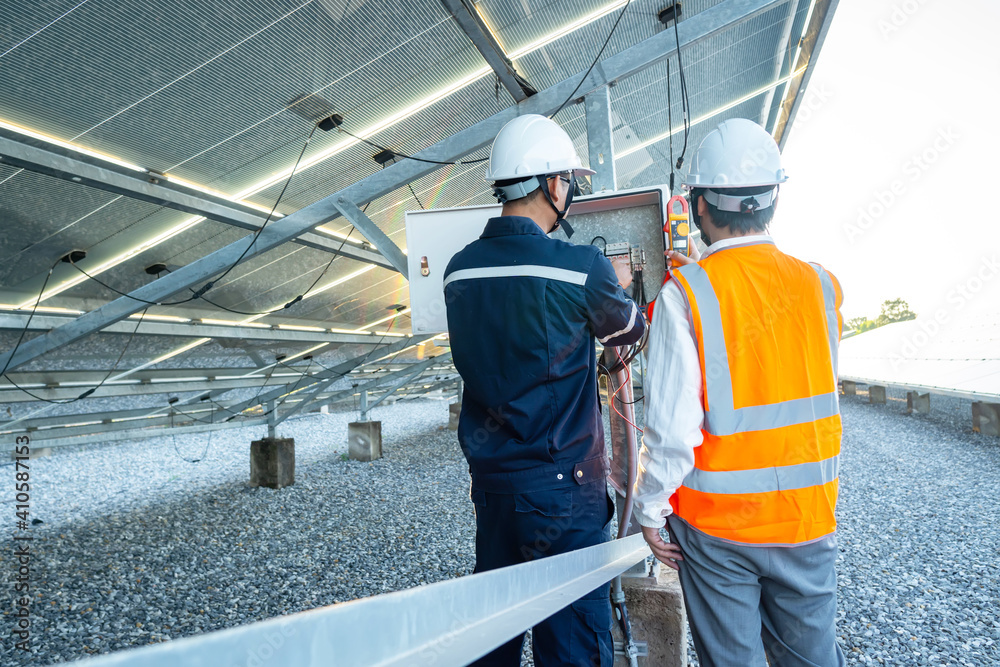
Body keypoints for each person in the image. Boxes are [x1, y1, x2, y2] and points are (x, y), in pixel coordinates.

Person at [633, 118, 847, 667]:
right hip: (806, 516)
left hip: (718, 527)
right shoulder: (821, 285)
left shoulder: (685, 295)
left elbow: (672, 428)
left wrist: (651, 509)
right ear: (772, 197)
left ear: (699, 205)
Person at [443, 113, 646, 666]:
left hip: (493, 489)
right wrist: (621, 288)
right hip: (564, 491)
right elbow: (631, 329)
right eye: (568, 182)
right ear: (551, 183)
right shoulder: (582, 267)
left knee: (495, 635)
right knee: (574, 643)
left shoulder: (458, 271)